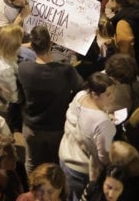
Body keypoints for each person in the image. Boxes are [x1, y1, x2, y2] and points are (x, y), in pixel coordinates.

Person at [16, 25, 83, 174]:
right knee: (56, 163)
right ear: (51, 44)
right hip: (57, 126)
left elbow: (18, 96)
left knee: (32, 162)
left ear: (31, 46)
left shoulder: (23, 69)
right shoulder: (67, 70)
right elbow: (81, 89)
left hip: (32, 127)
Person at [58, 72, 117, 201]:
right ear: (95, 94)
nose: (113, 98)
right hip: (81, 168)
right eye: (108, 94)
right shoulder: (102, 122)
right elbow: (103, 157)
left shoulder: (80, 95)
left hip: (65, 156)